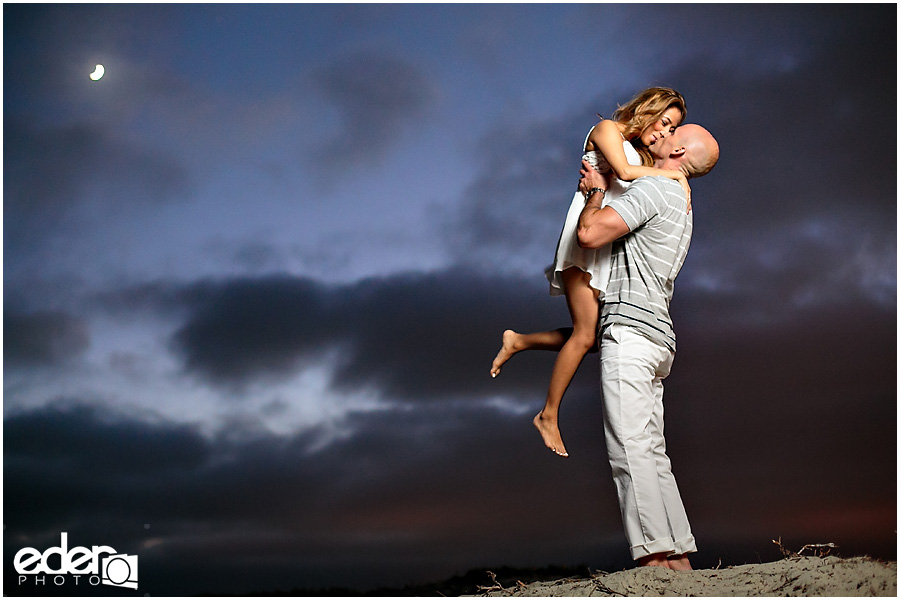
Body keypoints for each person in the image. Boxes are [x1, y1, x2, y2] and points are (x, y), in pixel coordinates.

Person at [491, 87, 690, 459]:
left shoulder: (641, 152)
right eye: (664, 122)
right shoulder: (607, 131)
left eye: (672, 130)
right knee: (586, 335)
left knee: (599, 335)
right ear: (648, 109)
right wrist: (677, 178)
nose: (664, 134)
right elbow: (628, 173)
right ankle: (547, 415)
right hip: (583, 241)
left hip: (605, 247)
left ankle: (518, 341)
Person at [576, 123, 719, 570]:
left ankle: (655, 559)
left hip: (633, 334)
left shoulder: (658, 192)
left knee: (630, 449)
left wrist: (596, 191)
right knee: (652, 450)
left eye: (674, 131)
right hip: (659, 338)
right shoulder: (682, 202)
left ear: (677, 149)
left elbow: (590, 235)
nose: (662, 133)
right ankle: (677, 556)